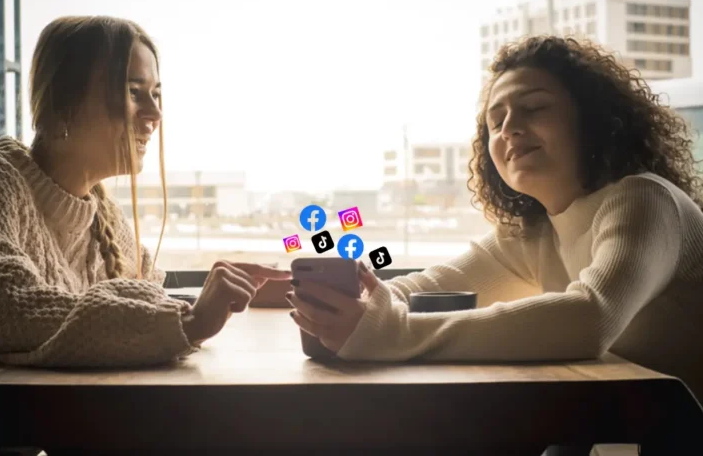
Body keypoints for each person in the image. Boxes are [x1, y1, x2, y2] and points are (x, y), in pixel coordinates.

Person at [287, 35, 703, 438]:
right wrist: (340, 297)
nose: (509, 129)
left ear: (593, 118)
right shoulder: (537, 230)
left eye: (534, 108)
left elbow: (588, 318)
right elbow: (427, 288)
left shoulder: (644, 198)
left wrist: (391, 334)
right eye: (495, 121)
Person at [0, 15, 290, 372]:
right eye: (133, 92)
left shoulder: (104, 217)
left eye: (156, 95)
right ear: (62, 105)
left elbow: (146, 302)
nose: (155, 114)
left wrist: (235, 295)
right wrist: (191, 320)